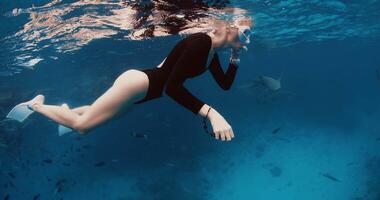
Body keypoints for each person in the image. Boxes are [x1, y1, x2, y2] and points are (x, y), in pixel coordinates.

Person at [6, 16, 253, 142]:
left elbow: (225, 85)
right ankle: (36, 104)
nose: (246, 39)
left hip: (143, 93)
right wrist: (211, 113)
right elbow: (172, 88)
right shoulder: (201, 42)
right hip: (137, 84)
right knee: (82, 128)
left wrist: (234, 56)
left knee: (92, 113)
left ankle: (64, 112)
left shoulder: (212, 54)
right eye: (245, 32)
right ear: (230, 28)